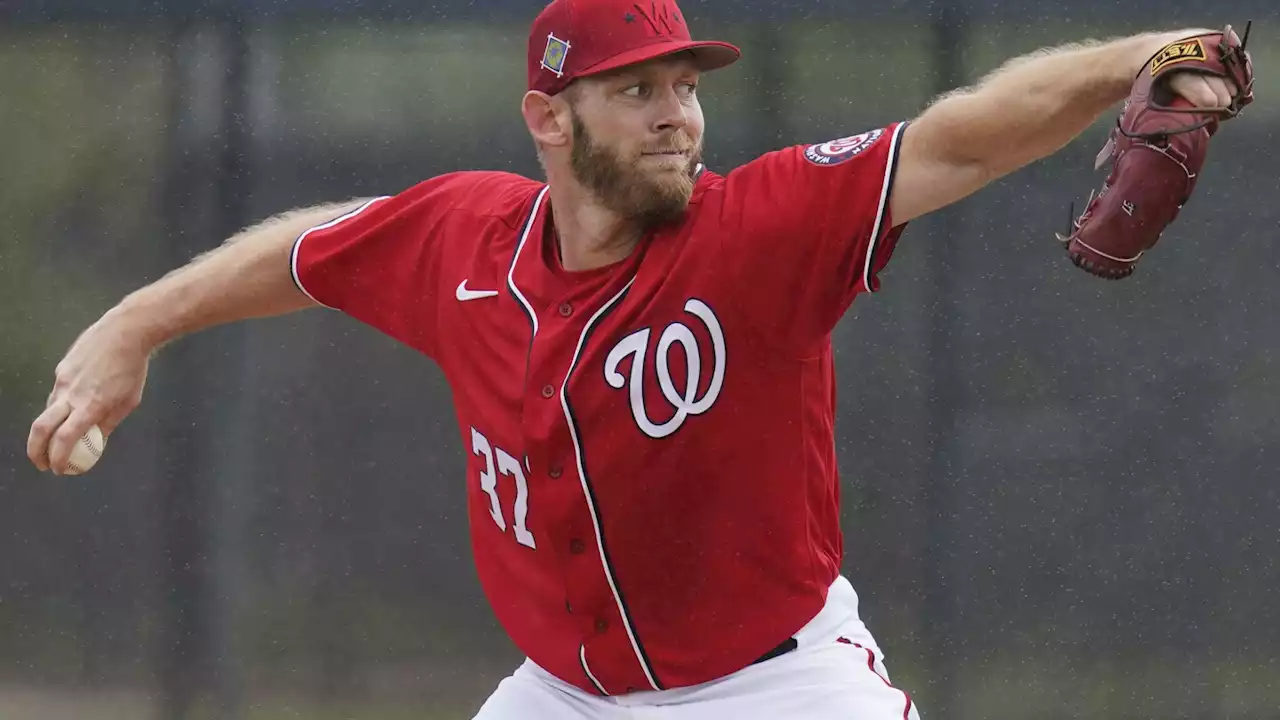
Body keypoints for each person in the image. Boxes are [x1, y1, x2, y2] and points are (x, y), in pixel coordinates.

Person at [27, 0, 1245, 717]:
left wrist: (1133, 59)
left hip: (769, 688)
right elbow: (307, 250)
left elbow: (962, 138)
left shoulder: (758, 230)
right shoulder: (465, 239)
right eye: (636, 90)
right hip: (562, 695)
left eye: (683, 85)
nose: (677, 113)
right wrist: (135, 326)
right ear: (547, 120)